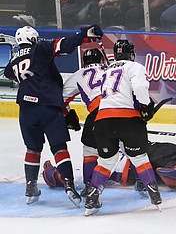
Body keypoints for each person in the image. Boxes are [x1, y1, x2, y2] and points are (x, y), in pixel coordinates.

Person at [3, 24, 104, 207]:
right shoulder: (40, 48)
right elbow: (63, 45)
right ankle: (69, 186)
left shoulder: (12, 62)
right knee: (59, 147)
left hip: (26, 110)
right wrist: (84, 35)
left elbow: (10, 74)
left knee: (32, 149)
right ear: (34, 39)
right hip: (48, 106)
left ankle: (30, 187)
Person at [43, 118, 176, 190]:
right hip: (142, 162)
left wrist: (52, 173)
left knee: (171, 159)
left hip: (145, 157)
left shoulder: (101, 157)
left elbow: (62, 179)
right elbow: (60, 179)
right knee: (175, 170)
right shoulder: (101, 163)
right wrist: (50, 171)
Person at [83, 39, 160, 216]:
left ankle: (93, 197)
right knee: (139, 157)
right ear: (131, 53)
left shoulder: (106, 70)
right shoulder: (134, 67)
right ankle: (153, 191)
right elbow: (140, 87)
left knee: (106, 161)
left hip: (102, 120)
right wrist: (146, 107)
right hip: (128, 119)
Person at [62, 48, 107, 197]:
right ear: (101, 60)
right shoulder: (112, 69)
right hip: (122, 109)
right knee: (130, 148)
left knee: (90, 148)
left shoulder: (78, 74)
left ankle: (89, 185)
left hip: (97, 113)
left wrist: (68, 115)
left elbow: (61, 99)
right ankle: (142, 181)